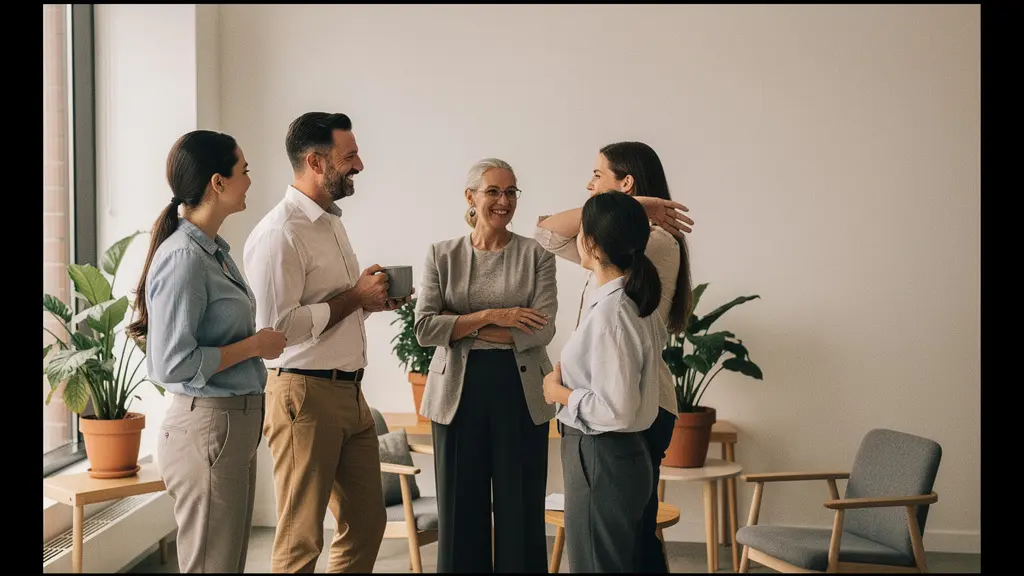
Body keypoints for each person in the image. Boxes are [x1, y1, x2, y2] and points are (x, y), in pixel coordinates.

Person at [243, 112, 408, 573]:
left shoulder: (330, 223)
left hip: (349, 393)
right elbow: (276, 329)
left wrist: (369, 302)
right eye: (349, 156)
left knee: (367, 522)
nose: (360, 164)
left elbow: (325, 305)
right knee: (301, 538)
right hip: (303, 394)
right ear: (316, 162)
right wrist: (354, 295)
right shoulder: (280, 233)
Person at [127, 130, 286, 573]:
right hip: (208, 427)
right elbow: (171, 363)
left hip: (230, 426)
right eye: (245, 170)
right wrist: (255, 345)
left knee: (225, 564)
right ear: (218, 182)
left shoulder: (213, 252)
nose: (251, 180)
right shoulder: (185, 258)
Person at [535, 141, 694, 572]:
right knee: (628, 542)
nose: (588, 185)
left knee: (622, 546)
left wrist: (558, 391)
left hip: (626, 415)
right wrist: (630, 204)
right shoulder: (621, 271)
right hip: (624, 405)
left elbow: (615, 408)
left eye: (597, 176)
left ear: (625, 182)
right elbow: (547, 232)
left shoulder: (652, 244)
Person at [414, 158, 557, 572]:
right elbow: (425, 327)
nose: (503, 200)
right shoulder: (442, 255)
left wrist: (459, 326)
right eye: (493, 191)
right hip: (457, 395)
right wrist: (497, 317)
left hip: (520, 390)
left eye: (511, 192)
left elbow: (540, 331)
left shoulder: (536, 256)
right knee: (460, 515)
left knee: (521, 512)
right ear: (471, 197)